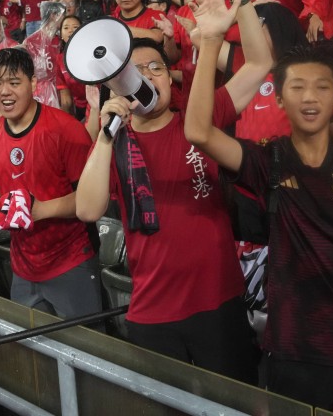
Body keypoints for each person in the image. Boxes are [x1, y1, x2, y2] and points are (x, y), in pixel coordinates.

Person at [183, 0, 333, 414]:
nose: (309, 97)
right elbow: (197, 130)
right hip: (290, 354)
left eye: (321, 87)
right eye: (296, 88)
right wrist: (211, 40)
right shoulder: (267, 160)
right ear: (279, 100)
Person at [76, 29, 259, 383]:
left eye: (155, 67)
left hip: (218, 301)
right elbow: (87, 210)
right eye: (133, 72)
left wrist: (225, 25)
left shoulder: (197, 120)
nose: (145, 77)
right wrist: (105, 136)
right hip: (153, 308)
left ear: (170, 77)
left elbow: (258, 67)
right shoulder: (114, 144)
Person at [0, 48, 101, 319]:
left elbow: (90, 200)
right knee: (35, 351)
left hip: (72, 260)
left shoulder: (66, 130)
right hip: (23, 266)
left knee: (85, 351)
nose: (5, 92)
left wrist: (40, 210)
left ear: (33, 84)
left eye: (14, 83)